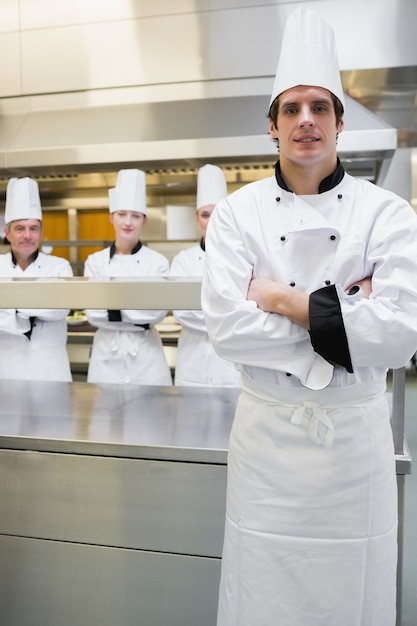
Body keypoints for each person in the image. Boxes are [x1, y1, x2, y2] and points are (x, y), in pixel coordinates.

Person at [201, 7, 417, 626]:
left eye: (319, 107)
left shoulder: (388, 214)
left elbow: (401, 336)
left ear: (340, 120)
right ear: (271, 125)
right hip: (266, 451)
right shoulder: (238, 216)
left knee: (354, 594)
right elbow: (226, 329)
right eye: (291, 109)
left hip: (353, 451)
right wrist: (349, 318)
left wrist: (282, 299)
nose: (306, 121)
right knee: (261, 591)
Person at [84, 168, 172, 385]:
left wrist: (113, 308)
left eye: (135, 216)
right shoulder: (95, 262)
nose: (128, 222)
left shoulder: (158, 262)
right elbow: (94, 314)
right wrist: (137, 307)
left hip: (146, 356)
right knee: (104, 415)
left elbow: (157, 313)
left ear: (144, 221)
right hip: (106, 354)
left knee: (151, 416)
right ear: (111, 217)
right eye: (122, 214)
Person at [170, 164, 240, 387]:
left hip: (231, 366)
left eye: (218, 213)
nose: (212, 221)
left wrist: (203, 311)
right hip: (192, 363)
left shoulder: (242, 257)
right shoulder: (183, 260)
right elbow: (182, 313)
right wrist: (222, 314)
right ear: (197, 218)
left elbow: (244, 312)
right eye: (205, 215)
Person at [0, 177, 73, 382]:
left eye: (33, 228)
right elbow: (49, 306)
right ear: (7, 232)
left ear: (41, 232)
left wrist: (11, 308)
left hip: (50, 367)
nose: (27, 235)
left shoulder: (59, 266)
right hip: (7, 367)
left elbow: (61, 308)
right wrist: (40, 302)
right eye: (20, 228)